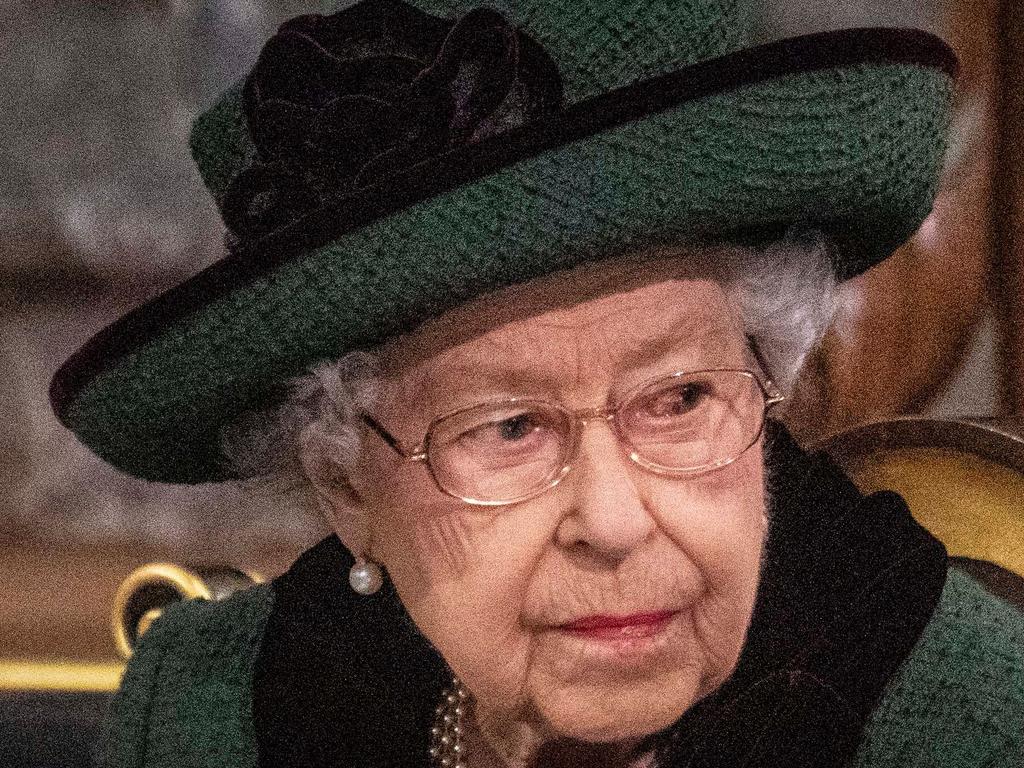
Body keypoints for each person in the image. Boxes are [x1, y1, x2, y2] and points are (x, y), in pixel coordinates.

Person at [50, 0, 1023, 766]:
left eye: (680, 399)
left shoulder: (976, 721)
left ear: (763, 380)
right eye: (509, 426)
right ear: (347, 483)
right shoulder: (212, 712)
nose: (612, 519)